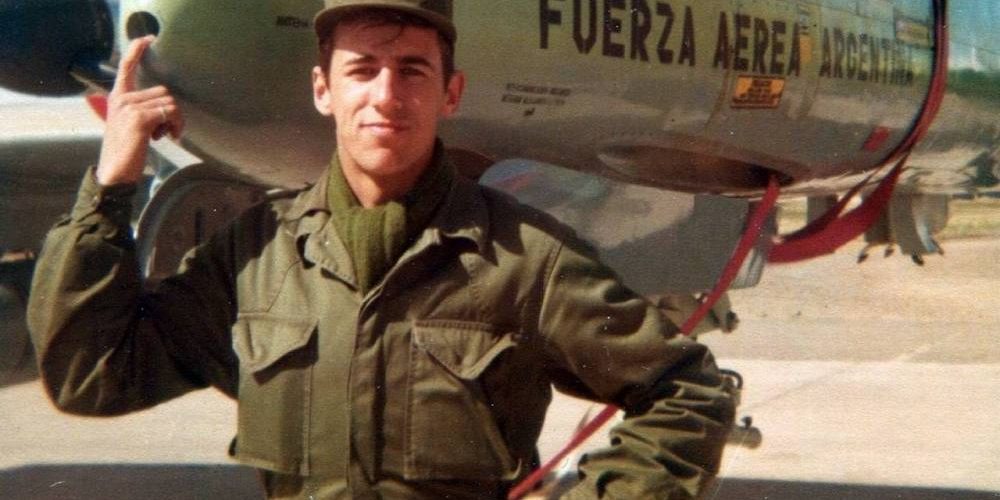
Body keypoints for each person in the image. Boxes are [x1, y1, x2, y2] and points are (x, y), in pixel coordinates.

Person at [27, 1, 735, 498]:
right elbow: (94, 374)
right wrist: (109, 189)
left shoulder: (524, 259)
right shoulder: (255, 257)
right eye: (362, 70)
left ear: (451, 93)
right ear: (323, 90)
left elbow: (687, 390)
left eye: (413, 70)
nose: (386, 95)